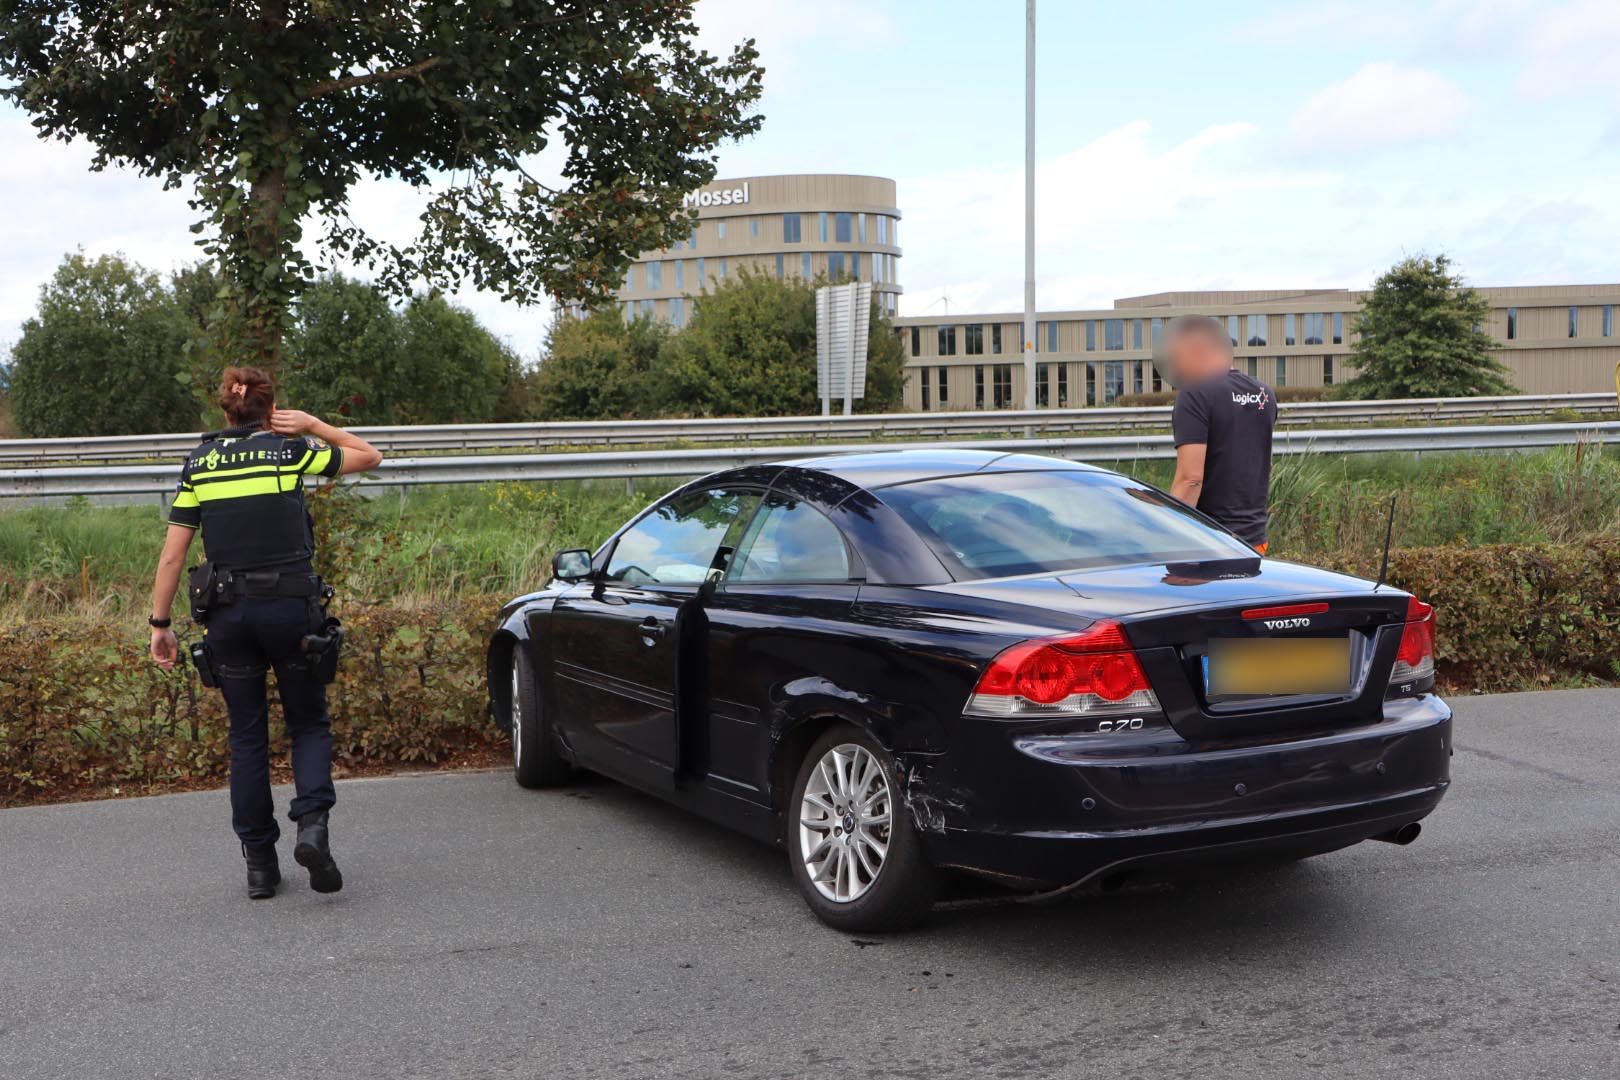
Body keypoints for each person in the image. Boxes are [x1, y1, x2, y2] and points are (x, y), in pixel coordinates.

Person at [148, 367, 382, 899]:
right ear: (272, 409)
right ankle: (313, 830)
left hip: (228, 616)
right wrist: (313, 425)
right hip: (290, 611)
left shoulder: (200, 462)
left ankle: (259, 866)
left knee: (247, 736)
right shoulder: (289, 452)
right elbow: (369, 456)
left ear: (225, 409)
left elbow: (173, 555)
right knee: (308, 723)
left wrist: (160, 624)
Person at [1162, 315, 1278, 554]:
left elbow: (1190, 480)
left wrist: (1169, 535)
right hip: (1254, 541)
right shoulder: (1264, 393)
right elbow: (1261, 462)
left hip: (1209, 543)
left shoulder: (1194, 394)